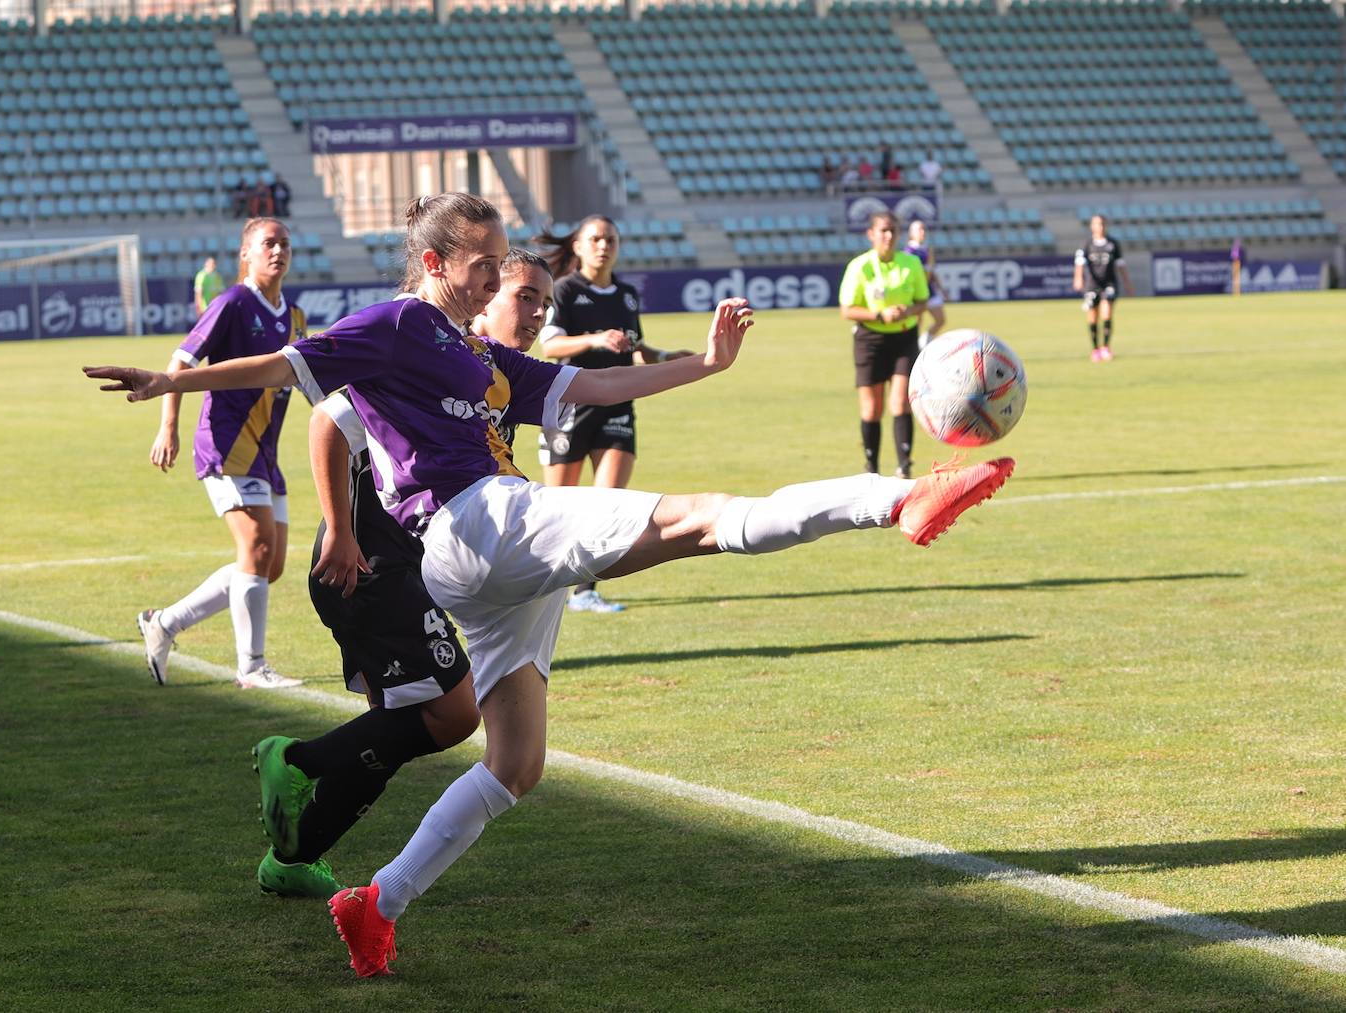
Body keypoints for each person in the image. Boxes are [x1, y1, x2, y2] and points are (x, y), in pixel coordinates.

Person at [85, 191, 1014, 980]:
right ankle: (902, 497)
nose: (498, 284)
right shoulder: (402, 322)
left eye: (503, 269)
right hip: (477, 521)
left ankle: (377, 903)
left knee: (515, 762)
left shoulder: (480, 357)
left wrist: (708, 364)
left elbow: (595, 392)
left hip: (485, 561)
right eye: (484, 266)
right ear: (436, 261)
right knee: (697, 520)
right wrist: (168, 383)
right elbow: (290, 370)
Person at [249, 248, 556, 900]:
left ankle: (295, 853)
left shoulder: (488, 380)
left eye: (542, 302)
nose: (533, 312)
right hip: (367, 567)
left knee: (395, 728)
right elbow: (327, 420)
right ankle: (294, 760)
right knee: (451, 711)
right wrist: (341, 529)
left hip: (402, 571)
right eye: (520, 294)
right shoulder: (425, 359)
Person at [133, 217, 304, 691]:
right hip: (225, 443)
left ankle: (163, 623)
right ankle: (251, 668)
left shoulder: (296, 317)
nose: (278, 251)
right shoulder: (231, 303)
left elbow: (307, 379)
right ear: (246, 253)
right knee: (257, 548)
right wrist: (168, 427)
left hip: (265, 453)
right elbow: (179, 363)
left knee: (269, 566)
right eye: (268, 243)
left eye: (285, 244)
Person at [533, 215, 691, 614]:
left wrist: (667, 357)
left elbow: (635, 348)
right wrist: (595, 339)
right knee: (560, 507)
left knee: (607, 505)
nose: (604, 246)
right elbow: (550, 348)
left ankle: (586, 592)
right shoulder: (564, 290)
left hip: (618, 406)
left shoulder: (626, 294)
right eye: (596, 239)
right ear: (579, 246)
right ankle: (544, 587)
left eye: (611, 239)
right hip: (570, 405)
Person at [839, 210, 931, 479]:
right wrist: (879, 314)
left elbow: (923, 301)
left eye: (893, 230)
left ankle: (904, 466)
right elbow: (847, 309)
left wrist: (908, 311)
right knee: (871, 408)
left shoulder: (911, 263)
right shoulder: (860, 266)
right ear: (871, 235)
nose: (889, 236)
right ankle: (872, 469)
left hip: (904, 338)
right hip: (870, 339)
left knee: (901, 402)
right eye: (883, 231)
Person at [1073, 214, 1134, 362]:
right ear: (1092, 226)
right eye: (1097, 224)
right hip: (1092, 285)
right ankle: (1095, 349)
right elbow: (1079, 263)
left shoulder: (1113, 244)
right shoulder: (1087, 244)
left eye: (1102, 224)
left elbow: (1121, 265)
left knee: (1107, 314)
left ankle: (1106, 347)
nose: (1100, 227)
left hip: (1109, 284)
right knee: (1093, 318)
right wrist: (1078, 278)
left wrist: (1127, 283)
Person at [902, 219, 947, 347]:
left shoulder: (927, 250)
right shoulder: (909, 251)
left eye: (924, 229)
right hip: (916, 293)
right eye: (919, 229)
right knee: (917, 323)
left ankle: (923, 342)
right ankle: (912, 348)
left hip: (929, 291)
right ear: (911, 233)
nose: (923, 232)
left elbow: (932, 272)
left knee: (941, 320)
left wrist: (941, 289)